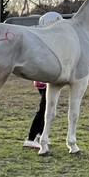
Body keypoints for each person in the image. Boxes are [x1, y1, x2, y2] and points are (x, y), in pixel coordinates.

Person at [24, 12, 61, 149]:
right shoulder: (46, 41)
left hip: (45, 79)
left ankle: (39, 135)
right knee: (43, 109)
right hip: (44, 80)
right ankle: (31, 138)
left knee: (47, 108)